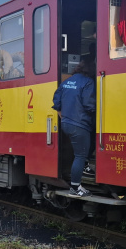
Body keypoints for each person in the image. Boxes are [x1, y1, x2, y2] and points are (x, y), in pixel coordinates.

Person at [52, 61, 95, 198]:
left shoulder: (66, 82)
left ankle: (86, 166)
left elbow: (56, 104)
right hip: (80, 125)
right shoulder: (88, 82)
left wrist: (65, 118)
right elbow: (90, 105)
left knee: (81, 152)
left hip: (66, 124)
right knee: (80, 156)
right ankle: (75, 187)